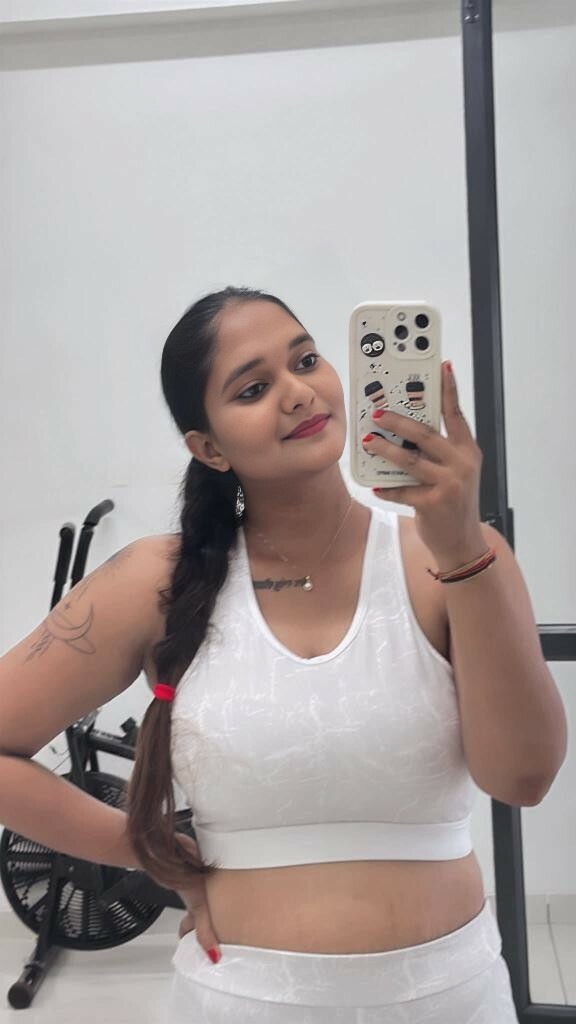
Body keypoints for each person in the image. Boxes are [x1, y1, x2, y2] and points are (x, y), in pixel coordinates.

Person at [0, 287, 566, 1023]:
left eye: (305, 361)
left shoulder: (453, 558)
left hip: (451, 1000)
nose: (298, 393)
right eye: (253, 388)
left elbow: (523, 778)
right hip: (242, 1001)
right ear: (208, 448)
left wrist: (462, 550)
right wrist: (143, 848)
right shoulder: (154, 581)